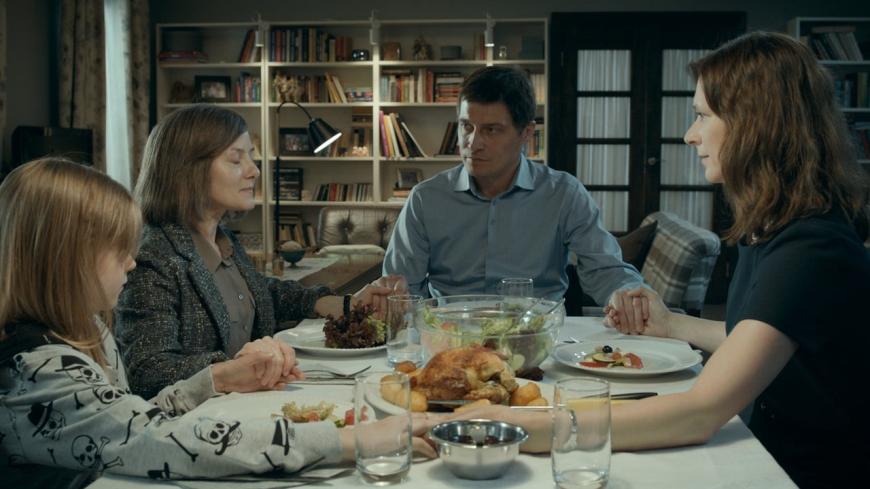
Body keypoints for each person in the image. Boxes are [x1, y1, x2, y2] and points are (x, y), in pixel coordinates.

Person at [457, 32, 870, 489]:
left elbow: (699, 413)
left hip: (800, 471)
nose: (690, 134)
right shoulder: (778, 227)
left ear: (758, 123)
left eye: (703, 115)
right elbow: (755, 335)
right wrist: (670, 324)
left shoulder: (811, 247)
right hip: (767, 446)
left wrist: (512, 424)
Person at [0, 158, 439, 488]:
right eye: (119, 251)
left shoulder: (87, 330)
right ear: (66, 261)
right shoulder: (37, 371)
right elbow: (160, 440)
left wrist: (215, 380)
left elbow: (129, 415)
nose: (131, 262)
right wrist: (353, 441)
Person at [115, 105, 394, 399]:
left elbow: (262, 293)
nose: (254, 171)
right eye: (236, 160)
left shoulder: (223, 240)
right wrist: (235, 368)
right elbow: (149, 372)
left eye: (251, 156)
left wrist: (345, 304)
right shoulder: (153, 258)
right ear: (189, 170)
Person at [382, 66, 646, 325]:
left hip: (536, 334)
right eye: (466, 126)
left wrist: (632, 298)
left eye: (491, 130)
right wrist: (391, 299)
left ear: (527, 133)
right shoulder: (425, 199)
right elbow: (402, 290)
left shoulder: (563, 194)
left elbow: (605, 270)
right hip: (451, 337)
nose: (473, 143)